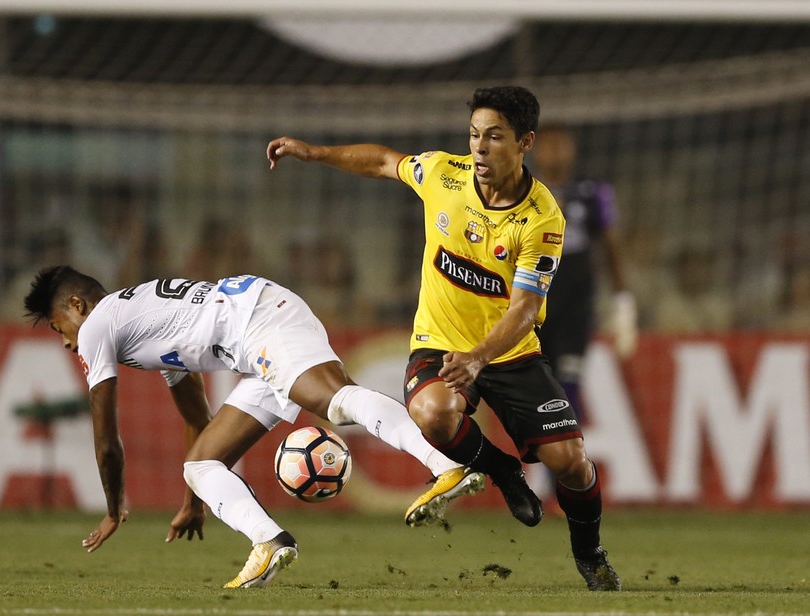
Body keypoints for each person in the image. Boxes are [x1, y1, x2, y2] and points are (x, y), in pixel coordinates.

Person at [266, 86, 621, 591]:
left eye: (494, 137)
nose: (479, 147)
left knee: (573, 465)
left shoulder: (542, 218)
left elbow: (523, 309)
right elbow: (384, 162)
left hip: (510, 355)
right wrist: (314, 152)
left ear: (525, 143)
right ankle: (505, 474)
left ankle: (590, 554)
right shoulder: (443, 174)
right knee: (432, 413)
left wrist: (478, 358)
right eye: (474, 135)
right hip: (438, 343)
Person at [23, 266, 484, 589]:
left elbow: (106, 441)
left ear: (77, 305)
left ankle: (446, 462)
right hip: (256, 332)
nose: (65, 340)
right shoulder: (140, 322)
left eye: (58, 325)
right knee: (201, 466)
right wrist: (195, 503)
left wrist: (111, 508)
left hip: (259, 321)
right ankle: (269, 541)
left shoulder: (97, 326)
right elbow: (196, 419)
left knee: (336, 402)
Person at [531, 125, 637, 407]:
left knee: (569, 378)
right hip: (533, 295)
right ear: (536, 150)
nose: (556, 152)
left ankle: (570, 444)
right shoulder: (523, 191)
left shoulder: (593, 191)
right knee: (538, 383)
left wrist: (623, 302)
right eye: (550, 144)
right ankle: (538, 449)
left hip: (576, 297)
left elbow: (611, 244)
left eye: (562, 144)